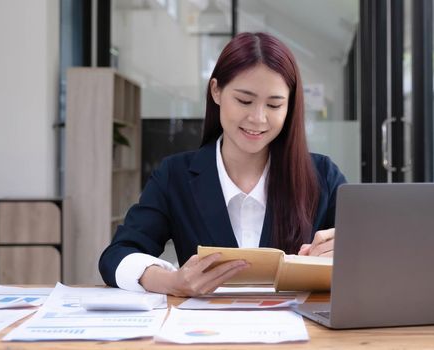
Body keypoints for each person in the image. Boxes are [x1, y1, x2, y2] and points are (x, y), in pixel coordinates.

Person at [98, 32, 347, 297]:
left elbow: (373, 255)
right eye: (244, 101)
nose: (258, 118)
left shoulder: (322, 176)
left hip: (305, 335)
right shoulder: (175, 175)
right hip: (205, 334)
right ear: (216, 91)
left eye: (274, 105)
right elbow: (117, 256)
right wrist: (171, 281)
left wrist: (346, 253)